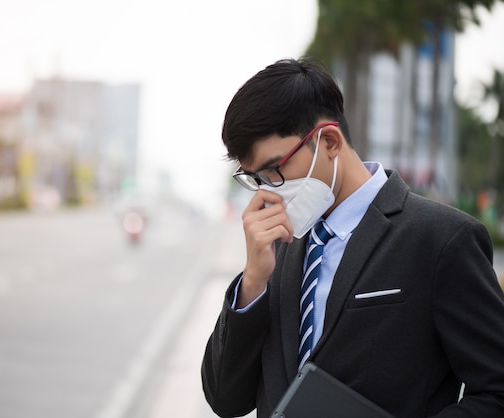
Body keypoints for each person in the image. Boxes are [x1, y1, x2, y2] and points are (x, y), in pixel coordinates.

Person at [201, 57, 504, 418]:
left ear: (329, 141)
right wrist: (253, 281)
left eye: (275, 169)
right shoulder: (276, 248)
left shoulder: (441, 239)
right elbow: (225, 398)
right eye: (258, 177)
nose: (270, 190)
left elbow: (496, 391)